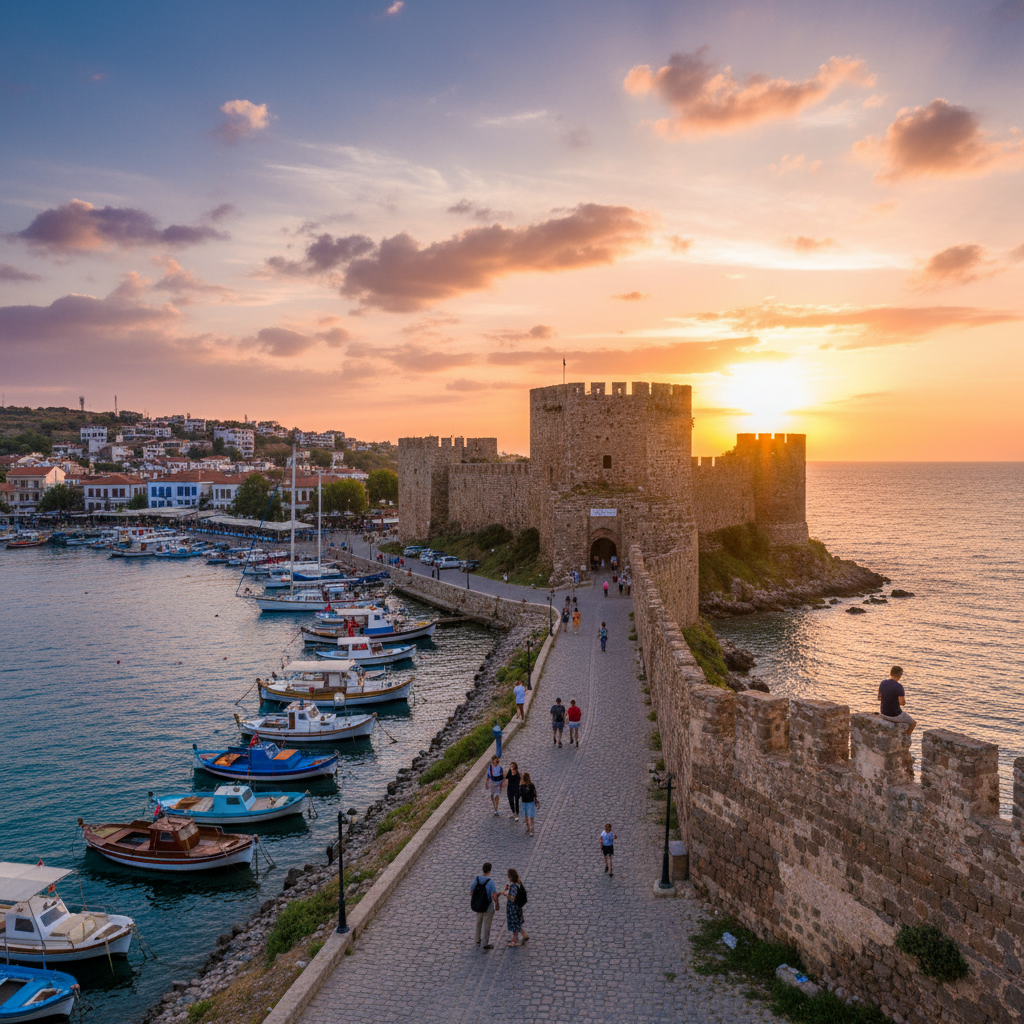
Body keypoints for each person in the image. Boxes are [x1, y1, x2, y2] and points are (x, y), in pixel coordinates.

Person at [470, 862, 500, 950]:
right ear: (489, 870)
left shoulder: (477, 879)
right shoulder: (490, 882)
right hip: (488, 906)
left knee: (478, 922)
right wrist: (497, 904)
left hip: (479, 906)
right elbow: (494, 895)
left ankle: (477, 939)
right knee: (487, 925)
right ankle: (485, 943)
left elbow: (471, 892)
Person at [878, 665, 916, 733]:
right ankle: (905, 736)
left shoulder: (883, 683)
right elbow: (902, 702)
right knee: (913, 723)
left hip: (883, 713)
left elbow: (879, 697)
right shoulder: (899, 687)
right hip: (894, 715)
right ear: (900, 675)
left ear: (890, 673)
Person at [502, 868, 528, 946]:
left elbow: (512, 898)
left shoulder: (513, 886)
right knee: (517, 922)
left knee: (514, 923)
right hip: (518, 907)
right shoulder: (519, 884)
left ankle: (514, 940)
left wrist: (506, 894)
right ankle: (524, 935)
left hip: (513, 908)